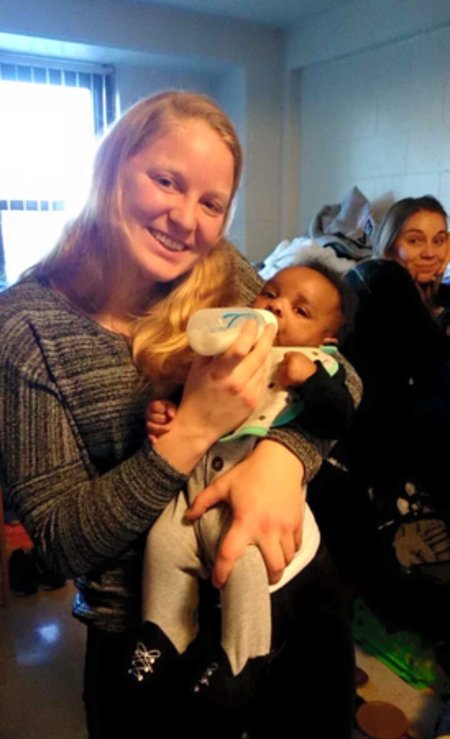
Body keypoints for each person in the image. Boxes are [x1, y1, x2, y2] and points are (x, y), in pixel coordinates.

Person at [0, 91, 361, 739]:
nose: (185, 219)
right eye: (166, 181)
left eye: (212, 203)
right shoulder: (28, 327)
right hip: (147, 638)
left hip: (286, 591)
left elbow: (339, 374)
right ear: (112, 166)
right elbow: (60, 540)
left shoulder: (222, 272)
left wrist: (284, 459)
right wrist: (193, 429)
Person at [128, 261, 356, 706]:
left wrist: (311, 382)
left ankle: (241, 658)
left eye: (301, 311)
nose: (276, 306)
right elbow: (191, 397)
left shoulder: (317, 364)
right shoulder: (228, 347)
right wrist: (167, 413)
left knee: (243, 564)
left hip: (248, 513)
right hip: (193, 495)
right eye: (270, 292)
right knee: (163, 543)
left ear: (325, 341)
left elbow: (338, 418)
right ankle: (162, 636)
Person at [311, 195, 450, 638]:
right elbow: (433, 366)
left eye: (440, 240)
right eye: (416, 240)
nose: (430, 252)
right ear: (392, 245)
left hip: (394, 437)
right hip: (358, 443)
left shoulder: (437, 301)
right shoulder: (380, 277)